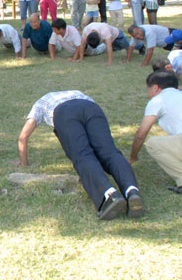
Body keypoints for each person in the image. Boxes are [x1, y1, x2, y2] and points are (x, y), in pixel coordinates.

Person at [16, 91, 142, 220]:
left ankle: (109, 195)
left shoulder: (40, 102)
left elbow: (23, 137)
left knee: (83, 155)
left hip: (64, 113)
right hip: (91, 107)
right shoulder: (77, 93)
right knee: (109, 151)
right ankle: (132, 191)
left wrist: (23, 163)